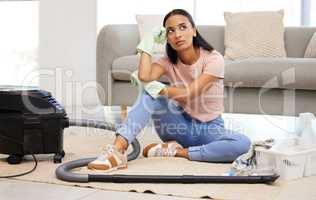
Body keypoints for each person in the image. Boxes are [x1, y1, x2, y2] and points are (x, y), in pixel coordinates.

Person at [87, 9, 251, 171]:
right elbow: (145, 76)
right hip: (176, 127)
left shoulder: (213, 59)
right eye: (170, 31)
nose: (177, 34)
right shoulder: (167, 61)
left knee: (243, 144)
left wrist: (158, 88)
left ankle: (177, 152)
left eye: (182, 27)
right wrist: (147, 43)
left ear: (194, 31)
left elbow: (190, 94)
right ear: (167, 38)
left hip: (209, 130)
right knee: (149, 92)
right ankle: (117, 150)